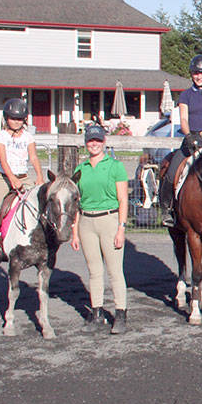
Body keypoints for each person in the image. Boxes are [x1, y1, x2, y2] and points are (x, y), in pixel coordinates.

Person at [71, 123, 130, 334]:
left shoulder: (115, 167)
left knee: (115, 271)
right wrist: (75, 231)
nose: (94, 144)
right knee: (94, 271)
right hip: (87, 221)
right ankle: (96, 313)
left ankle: (120, 314)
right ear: (86, 143)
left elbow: (123, 199)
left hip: (109, 219)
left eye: (97, 140)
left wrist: (121, 228)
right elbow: (76, 202)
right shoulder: (80, 169)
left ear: (104, 142)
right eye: (90, 140)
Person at [158, 54, 202, 227]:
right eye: (196, 73)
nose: (199, 76)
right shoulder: (185, 96)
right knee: (171, 171)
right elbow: (184, 119)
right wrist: (189, 136)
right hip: (191, 139)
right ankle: (166, 209)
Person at [0, 98, 44, 254]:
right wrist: (12, 179)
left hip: (24, 177)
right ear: (6, 118)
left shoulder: (28, 137)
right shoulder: (1, 136)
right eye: (13, 118)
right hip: (4, 178)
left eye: (20, 119)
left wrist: (39, 176)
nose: (16, 122)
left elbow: (33, 157)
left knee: (38, 201)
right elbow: (3, 160)